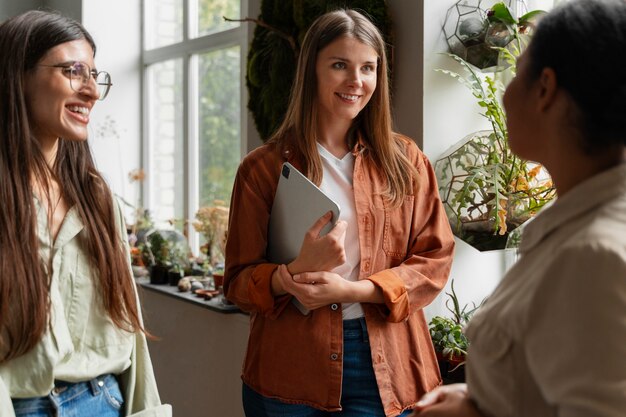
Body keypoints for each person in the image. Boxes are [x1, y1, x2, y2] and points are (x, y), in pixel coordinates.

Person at [224, 9, 455, 417]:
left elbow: (434, 262)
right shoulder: (262, 169)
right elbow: (238, 283)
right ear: (311, 70)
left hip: (385, 363)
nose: (356, 81)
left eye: (368, 68)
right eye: (339, 65)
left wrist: (354, 291)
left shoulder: (407, 161)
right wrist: (289, 274)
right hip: (288, 370)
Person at [412, 0, 626, 416]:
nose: (505, 92)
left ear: (545, 89)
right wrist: (483, 400)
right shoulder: (573, 228)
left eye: (516, 69)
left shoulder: (593, 255)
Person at [0, 10, 171, 417]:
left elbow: (128, 327)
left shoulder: (95, 196)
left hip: (103, 402)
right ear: (18, 77)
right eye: (74, 71)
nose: (92, 91)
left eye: (95, 75)